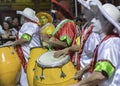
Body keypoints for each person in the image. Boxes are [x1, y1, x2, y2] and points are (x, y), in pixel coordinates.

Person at [70, 2, 120, 86]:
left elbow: (101, 74)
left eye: (97, 18)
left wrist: (79, 84)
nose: (93, 21)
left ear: (107, 22)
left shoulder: (111, 43)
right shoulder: (108, 41)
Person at [4, 7, 41, 86]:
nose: (22, 18)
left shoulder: (31, 26)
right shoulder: (29, 25)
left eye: (23, 16)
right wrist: (14, 42)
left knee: (30, 77)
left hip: (30, 55)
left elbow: (25, 39)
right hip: (26, 55)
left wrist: (13, 44)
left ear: (25, 17)